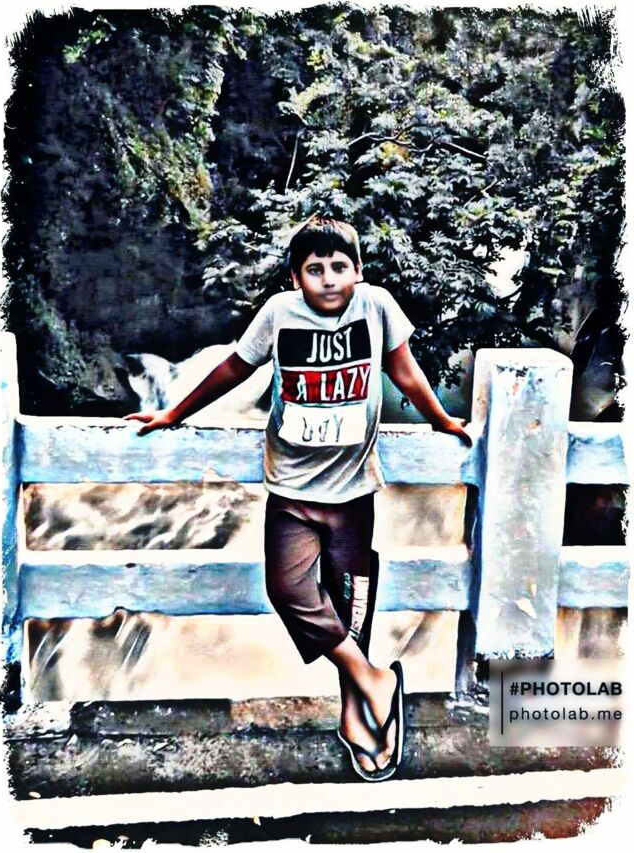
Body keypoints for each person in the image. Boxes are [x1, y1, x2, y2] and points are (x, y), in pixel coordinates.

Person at [125, 216, 471, 782]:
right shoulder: (279, 314)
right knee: (287, 589)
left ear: (358, 270)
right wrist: (174, 413)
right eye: (315, 269)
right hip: (290, 487)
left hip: (353, 491)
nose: (328, 279)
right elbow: (234, 368)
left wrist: (440, 419)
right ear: (295, 277)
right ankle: (376, 680)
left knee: (350, 610)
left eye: (339, 267)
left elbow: (404, 372)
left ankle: (358, 719)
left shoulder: (377, 306)